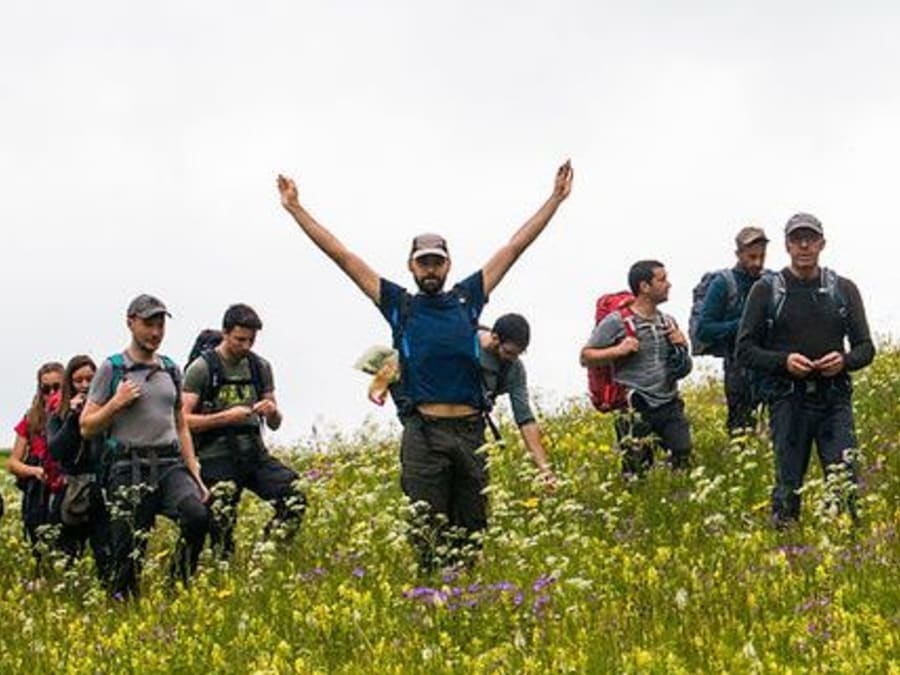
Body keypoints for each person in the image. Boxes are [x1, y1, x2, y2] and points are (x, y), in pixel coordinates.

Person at [277, 160, 573, 570]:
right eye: (423, 262)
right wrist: (296, 209)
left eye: (437, 262)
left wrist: (554, 200)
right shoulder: (400, 305)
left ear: (448, 264)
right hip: (424, 433)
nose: (430, 269)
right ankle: (432, 598)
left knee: (472, 530)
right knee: (426, 531)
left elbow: (513, 248)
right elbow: (344, 257)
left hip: (470, 433)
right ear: (412, 266)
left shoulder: (469, 298)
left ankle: (466, 602)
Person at [736, 213, 874, 525]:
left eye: (810, 238)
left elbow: (866, 348)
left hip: (835, 400)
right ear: (786, 245)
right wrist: (783, 362)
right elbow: (744, 350)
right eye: (797, 239)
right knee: (788, 487)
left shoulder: (844, 289)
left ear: (821, 244)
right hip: (788, 400)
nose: (804, 245)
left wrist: (844, 361)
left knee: (845, 487)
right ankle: (786, 552)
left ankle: (850, 555)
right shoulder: (766, 290)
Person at [80, 295, 210, 598]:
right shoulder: (112, 369)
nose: (155, 332)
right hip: (128, 467)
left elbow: (180, 425)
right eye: (148, 324)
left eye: (160, 324)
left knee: (197, 516)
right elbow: (86, 427)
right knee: (128, 555)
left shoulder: (171, 369)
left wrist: (196, 474)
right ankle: (125, 612)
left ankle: (176, 587)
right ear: (131, 323)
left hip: (169, 464)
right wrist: (116, 403)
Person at [182, 305, 304, 560]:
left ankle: (267, 554)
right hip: (216, 458)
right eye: (240, 339)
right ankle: (223, 568)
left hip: (254, 454)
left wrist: (271, 411)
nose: (246, 345)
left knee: (295, 494)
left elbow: (275, 423)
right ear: (225, 333)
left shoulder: (260, 367)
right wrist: (225, 418)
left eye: (251, 340)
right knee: (221, 530)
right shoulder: (202, 369)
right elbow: (182, 420)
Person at [580, 260, 693, 476]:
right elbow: (586, 356)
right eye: (662, 279)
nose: (668, 284)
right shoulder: (617, 322)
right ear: (644, 286)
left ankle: (678, 500)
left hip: (669, 403)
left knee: (683, 454)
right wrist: (618, 351)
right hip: (634, 406)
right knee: (637, 472)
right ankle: (639, 506)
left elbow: (682, 367)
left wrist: (682, 345)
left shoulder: (668, 322)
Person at [695, 226, 770, 434]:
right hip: (738, 370)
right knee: (742, 433)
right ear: (738, 254)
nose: (757, 262)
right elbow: (704, 329)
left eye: (762, 256)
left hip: (771, 368)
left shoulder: (772, 281)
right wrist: (745, 324)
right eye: (751, 256)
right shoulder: (723, 284)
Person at [46, 355, 112, 583]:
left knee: (105, 551)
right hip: (69, 490)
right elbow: (55, 451)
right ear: (69, 384)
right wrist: (74, 419)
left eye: (90, 380)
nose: (84, 386)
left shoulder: (107, 412)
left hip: (98, 490)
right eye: (78, 380)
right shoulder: (58, 416)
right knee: (66, 554)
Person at [8, 361, 65, 561]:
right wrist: (33, 470)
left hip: (66, 489)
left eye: (57, 387)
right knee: (39, 547)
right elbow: (13, 463)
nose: (51, 393)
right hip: (38, 491)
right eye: (45, 389)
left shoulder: (75, 414)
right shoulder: (31, 419)